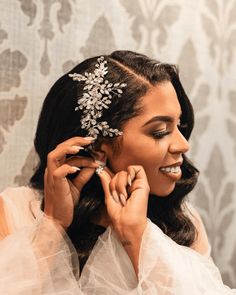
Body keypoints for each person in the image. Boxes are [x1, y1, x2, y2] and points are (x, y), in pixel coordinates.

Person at [0, 50, 235, 294]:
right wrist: (53, 224)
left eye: (180, 126)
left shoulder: (182, 222)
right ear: (98, 147)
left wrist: (138, 237)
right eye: (160, 131)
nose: (183, 144)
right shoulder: (16, 209)